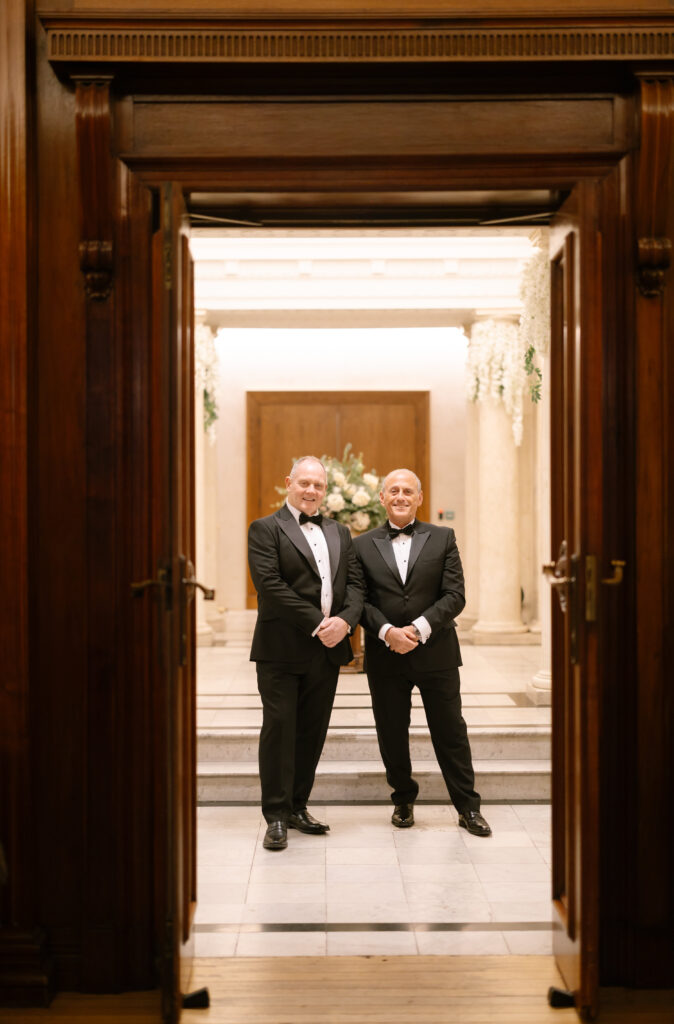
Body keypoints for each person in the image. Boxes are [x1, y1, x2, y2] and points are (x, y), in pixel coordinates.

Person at [354, 468, 491, 838]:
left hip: (437, 653)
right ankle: (402, 799)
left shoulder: (443, 537)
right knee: (392, 732)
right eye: (393, 491)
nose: (400, 496)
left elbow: (455, 595)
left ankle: (467, 807)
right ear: (382, 498)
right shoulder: (361, 545)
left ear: (419, 497)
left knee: (451, 732)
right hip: (385, 655)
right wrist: (386, 632)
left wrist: (417, 629)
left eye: (407, 491)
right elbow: (358, 599)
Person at [248, 455, 364, 851]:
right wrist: (320, 622)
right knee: (280, 730)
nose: (311, 490)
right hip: (281, 648)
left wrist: (345, 622)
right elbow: (270, 586)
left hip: (326, 650)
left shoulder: (340, 532)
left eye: (318, 484)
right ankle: (276, 816)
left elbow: (355, 587)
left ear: (325, 489)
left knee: (312, 732)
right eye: (304, 483)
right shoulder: (265, 529)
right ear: (289, 482)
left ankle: (298, 806)